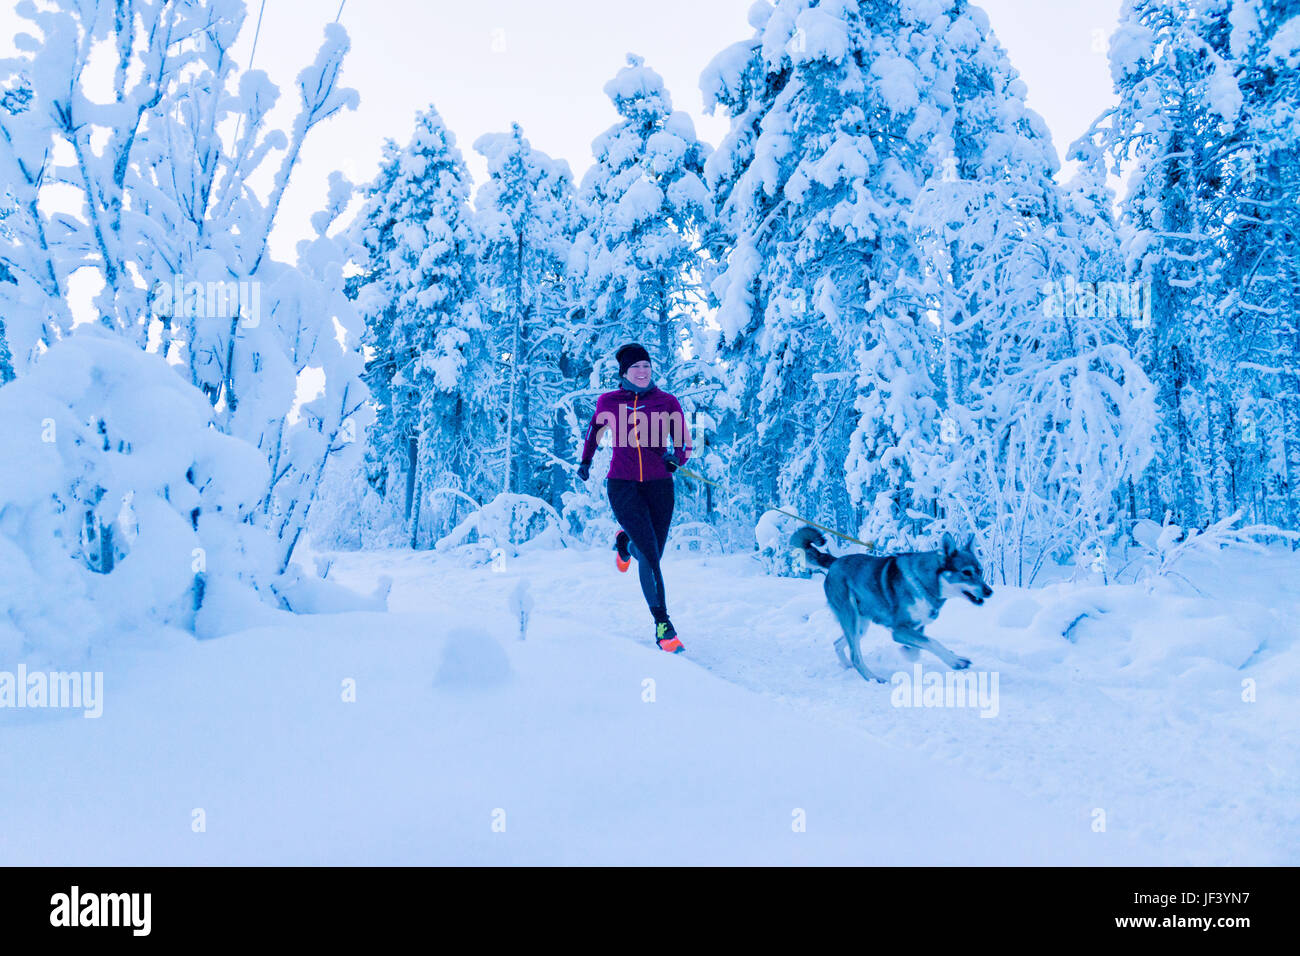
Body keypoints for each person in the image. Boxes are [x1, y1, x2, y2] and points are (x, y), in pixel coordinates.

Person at [578, 343, 692, 653]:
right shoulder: (609, 401)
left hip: (659, 487)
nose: (642, 372)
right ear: (624, 373)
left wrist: (676, 458)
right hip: (622, 484)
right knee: (651, 557)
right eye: (635, 368)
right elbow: (594, 432)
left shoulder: (667, 402)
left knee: (651, 553)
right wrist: (586, 461)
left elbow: (683, 441)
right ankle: (663, 625)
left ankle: (625, 543)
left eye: (646, 367)